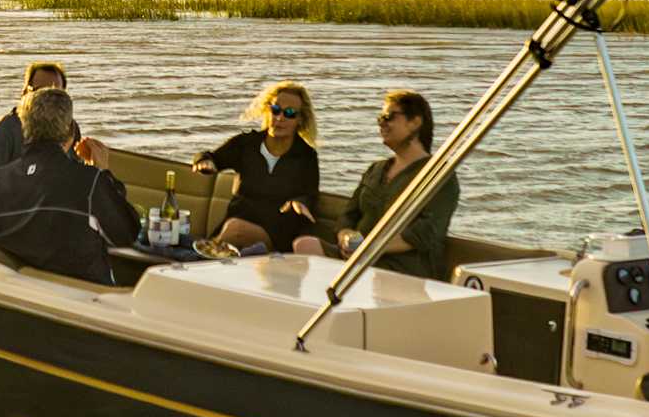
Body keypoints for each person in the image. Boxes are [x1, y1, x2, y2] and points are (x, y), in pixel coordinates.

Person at [0, 85, 141, 283]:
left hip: (24, 295)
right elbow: (126, 235)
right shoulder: (91, 182)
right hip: (84, 300)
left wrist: (2, 246)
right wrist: (103, 172)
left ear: (24, 130)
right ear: (69, 131)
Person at [295, 89, 459, 280]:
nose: (382, 123)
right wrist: (346, 237)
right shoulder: (376, 170)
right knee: (305, 245)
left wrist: (369, 248)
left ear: (415, 122)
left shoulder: (439, 176)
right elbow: (349, 215)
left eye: (389, 117)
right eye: (380, 118)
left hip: (401, 267)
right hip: (356, 258)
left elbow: (426, 233)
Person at [193, 81, 324, 254]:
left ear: (300, 119)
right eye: (275, 110)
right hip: (237, 221)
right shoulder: (246, 144)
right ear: (267, 110)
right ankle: (211, 254)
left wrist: (299, 202)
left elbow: (310, 195)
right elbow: (212, 157)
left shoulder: (306, 156)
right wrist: (203, 161)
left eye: (289, 113)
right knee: (234, 227)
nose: (279, 118)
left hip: (277, 233)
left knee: (235, 229)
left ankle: (206, 256)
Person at [0, 60, 71, 171]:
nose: (47, 99)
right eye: (39, 91)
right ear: (24, 93)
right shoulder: (5, 130)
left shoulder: (70, 128)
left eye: (56, 93)